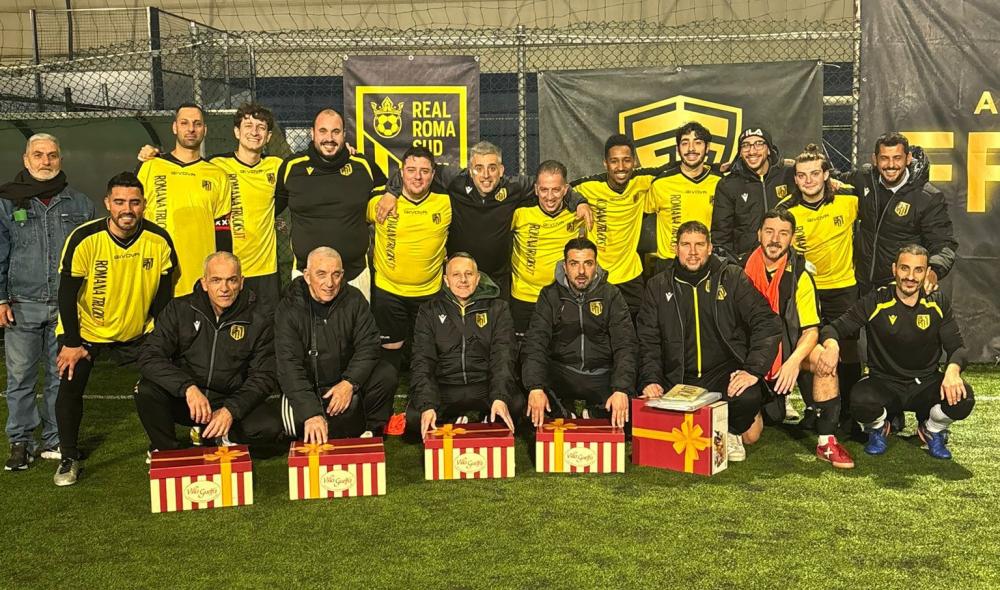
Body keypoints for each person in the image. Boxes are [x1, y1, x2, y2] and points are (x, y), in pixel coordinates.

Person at [52, 172, 177, 485]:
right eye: (120, 202)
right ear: (107, 203)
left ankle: (162, 446)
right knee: (70, 384)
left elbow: (164, 296)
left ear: (144, 204)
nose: (127, 209)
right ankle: (68, 456)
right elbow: (66, 294)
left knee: (163, 381)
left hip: (138, 331)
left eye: (134, 202)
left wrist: (162, 339)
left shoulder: (159, 240)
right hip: (86, 332)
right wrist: (71, 341)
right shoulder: (84, 238)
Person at [636, 221, 781, 462]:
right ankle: (714, 421)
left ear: (710, 248)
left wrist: (752, 370)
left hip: (722, 374)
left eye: (699, 245)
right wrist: (651, 379)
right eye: (686, 245)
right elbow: (648, 340)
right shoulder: (658, 285)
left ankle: (732, 430)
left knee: (748, 407)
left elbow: (767, 322)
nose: (692, 252)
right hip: (678, 377)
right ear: (675, 248)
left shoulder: (731, 277)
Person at [375, 140, 593, 300]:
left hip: (499, 278)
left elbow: (550, 184)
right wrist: (392, 192)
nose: (486, 175)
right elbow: (414, 172)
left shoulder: (514, 186)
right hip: (460, 277)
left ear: (502, 170)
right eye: (479, 168)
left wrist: (579, 201)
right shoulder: (454, 180)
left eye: (492, 168)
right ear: (470, 170)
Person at [819, 245, 974, 459]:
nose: (910, 277)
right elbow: (833, 328)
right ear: (894, 269)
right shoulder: (877, 300)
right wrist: (832, 345)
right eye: (904, 268)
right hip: (884, 382)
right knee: (859, 401)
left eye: (918, 270)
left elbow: (958, 348)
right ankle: (878, 428)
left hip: (925, 383)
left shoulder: (937, 302)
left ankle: (932, 429)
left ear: (927, 272)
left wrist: (952, 372)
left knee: (963, 398)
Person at [0, 133, 95, 470]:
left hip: (65, 307)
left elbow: (91, 258)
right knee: (20, 377)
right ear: (26, 160)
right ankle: (21, 442)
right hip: (21, 303)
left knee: (60, 377)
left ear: (60, 160)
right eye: (38, 155)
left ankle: (55, 438)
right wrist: (0, 299)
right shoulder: (6, 203)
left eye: (52, 155)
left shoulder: (80, 204)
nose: (45, 161)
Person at [138, 104, 284, 315]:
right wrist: (151, 154)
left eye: (261, 127)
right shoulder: (217, 165)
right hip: (220, 268)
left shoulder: (277, 166)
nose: (254, 132)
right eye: (248, 126)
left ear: (268, 136)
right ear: (236, 132)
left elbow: (285, 198)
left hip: (263, 269)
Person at [135, 252, 282, 452]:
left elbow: (264, 376)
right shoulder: (179, 309)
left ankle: (218, 434)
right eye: (216, 280)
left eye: (231, 280)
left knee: (269, 427)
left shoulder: (260, 318)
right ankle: (165, 450)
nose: (224, 288)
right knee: (145, 389)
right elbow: (149, 355)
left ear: (241, 282)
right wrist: (187, 387)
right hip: (188, 399)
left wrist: (231, 410)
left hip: (228, 399)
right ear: (204, 283)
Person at [744, 209, 853, 468]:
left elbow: (811, 330)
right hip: (752, 356)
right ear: (759, 234)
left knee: (824, 359)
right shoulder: (739, 270)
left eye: (783, 234)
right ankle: (760, 406)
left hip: (788, 351)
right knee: (751, 436)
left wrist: (793, 362)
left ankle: (826, 441)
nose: (775, 239)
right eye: (769, 231)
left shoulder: (801, 274)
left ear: (792, 238)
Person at [275, 247, 397, 443]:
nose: (330, 283)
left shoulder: (354, 299)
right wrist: (311, 413)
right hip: (310, 388)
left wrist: (349, 382)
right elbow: (288, 366)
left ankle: (370, 431)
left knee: (385, 374)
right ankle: (327, 422)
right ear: (307, 276)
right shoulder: (288, 308)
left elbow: (369, 346)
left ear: (342, 275)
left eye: (336, 274)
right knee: (278, 427)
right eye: (321, 274)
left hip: (343, 383)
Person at [778, 144, 862, 427]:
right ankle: (814, 409)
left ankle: (849, 413)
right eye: (802, 175)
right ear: (795, 179)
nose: (809, 180)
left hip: (843, 287)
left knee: (846, 350)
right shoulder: (786, 211)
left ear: (827, 175)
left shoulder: (848, 199)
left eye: (815, 173)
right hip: (806, 290)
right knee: (807, 348)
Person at [521, 238, 636, 428]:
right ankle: (564, 411)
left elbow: (626, 344)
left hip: (601, 373)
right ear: (565, 267)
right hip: (562, 372)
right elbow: (535, 342)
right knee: (529, 403)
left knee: (633, 411)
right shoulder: (550, 295)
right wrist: (535, 387)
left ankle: (592, 413)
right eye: (574, 264)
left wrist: (621, 389)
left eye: (588, 263)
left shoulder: (611, 294)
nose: (581, 271)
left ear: (596, 265)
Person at [407, 252, 521, 439]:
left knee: (516, 405)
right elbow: (422, 360)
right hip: (446, 386)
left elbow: (503, 356)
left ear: (478, 278)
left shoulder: (498, 308)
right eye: (456, 274)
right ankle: (459, 418)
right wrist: (427, 404)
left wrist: (499, 396)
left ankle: (485, 415)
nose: (463, 280)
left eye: (469, 274)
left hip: (484, 384)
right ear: (446, 280)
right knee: (414, 417)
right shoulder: (429, 310)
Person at [275, 108, 386, 300]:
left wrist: (390, 195)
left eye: (336, 132)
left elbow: (388, 188)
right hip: (305, 275)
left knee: (357, 322)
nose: (329, 138)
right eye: (323, 131)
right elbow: (272, 206)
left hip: (355, 275)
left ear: (344, 135)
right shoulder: (292, 167)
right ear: (312, 133)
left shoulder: (363, 165)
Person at [836, 132, 958, 294]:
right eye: (884, 158)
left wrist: (934, 271)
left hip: (900, 289)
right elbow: (831, 179)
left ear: (908, 159)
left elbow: (943, 245)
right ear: (875, 159)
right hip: (861, 285)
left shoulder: (927, 197)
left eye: (897, 158)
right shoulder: (864, 179)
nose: (891, 165)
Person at [365, 146, 451, 370]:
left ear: (433, 174)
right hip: (388, 290)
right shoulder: (379, 202)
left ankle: (423, 388)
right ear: (401, 173)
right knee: (390, 353)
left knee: (426, 351)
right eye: (411, 170)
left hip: (429, 292)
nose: (418, 177)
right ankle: (388, 386)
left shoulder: (446, 201)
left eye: (424, 171)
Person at [136, 103, 232, 297]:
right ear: (174, 127)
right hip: (156, 270)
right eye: (184, 123)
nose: (191, 129)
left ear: (205, 130)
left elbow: (222, 229)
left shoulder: (218, 175)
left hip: (198, 276)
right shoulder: (150, 167)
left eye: (197, 124)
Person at [571, 134, 664, 316]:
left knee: (637, 327)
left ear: (634, 162)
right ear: (605, 163)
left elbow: (676, 170)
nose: (621, 167)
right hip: (597, 276)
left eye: (626, 160)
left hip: (631, 275)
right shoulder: (589, 186)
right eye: (614, 161)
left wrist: (715, 168)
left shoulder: (642, 180)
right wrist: (579, 202)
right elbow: (560, 189)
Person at [509, 160, 584, 337]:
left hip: (562, 297)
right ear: (536, 189)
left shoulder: (577, 213)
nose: (549, 197)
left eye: (556, 190)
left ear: (565, 190)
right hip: (524, 297)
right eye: (544, 190)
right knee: (525, 349)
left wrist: (582, 203)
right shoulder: (520, 211)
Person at [711, 127, 796, 263]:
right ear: (740, 152)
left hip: (787, 259)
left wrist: (829, 182)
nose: (752, 151)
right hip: (746, 263)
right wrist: (733, 267)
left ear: (769, 149)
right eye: (745, 145)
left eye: (759, 144)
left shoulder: (788, 175)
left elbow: (814, 181)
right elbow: (721, 237)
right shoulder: (728, 185)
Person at [645, 122, 723, 269]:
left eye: (698, 143)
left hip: (706, 262)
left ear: (707, 148)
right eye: (685, 143)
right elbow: (636, 213)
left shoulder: (720, 182)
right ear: (677, 149)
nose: (691, 148)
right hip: (669, 264)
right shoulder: (661, 183)